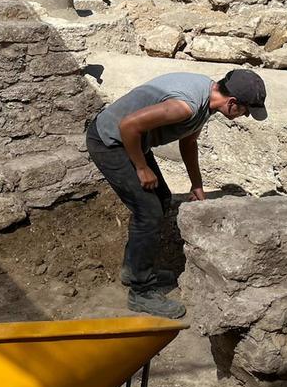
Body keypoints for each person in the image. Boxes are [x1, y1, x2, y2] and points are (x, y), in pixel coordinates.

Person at [86, 69, 268, 319]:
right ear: (233, 103)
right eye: (246, 111)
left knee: (161, 200)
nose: (245, 116)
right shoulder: (187, 106)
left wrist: (197, 185)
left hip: (133, 140)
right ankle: (141, 291)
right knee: (148, 212)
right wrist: (141, 168)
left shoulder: (208, 97)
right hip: (111, 142)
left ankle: (133, 270)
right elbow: (128, 126)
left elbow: (188, 142)